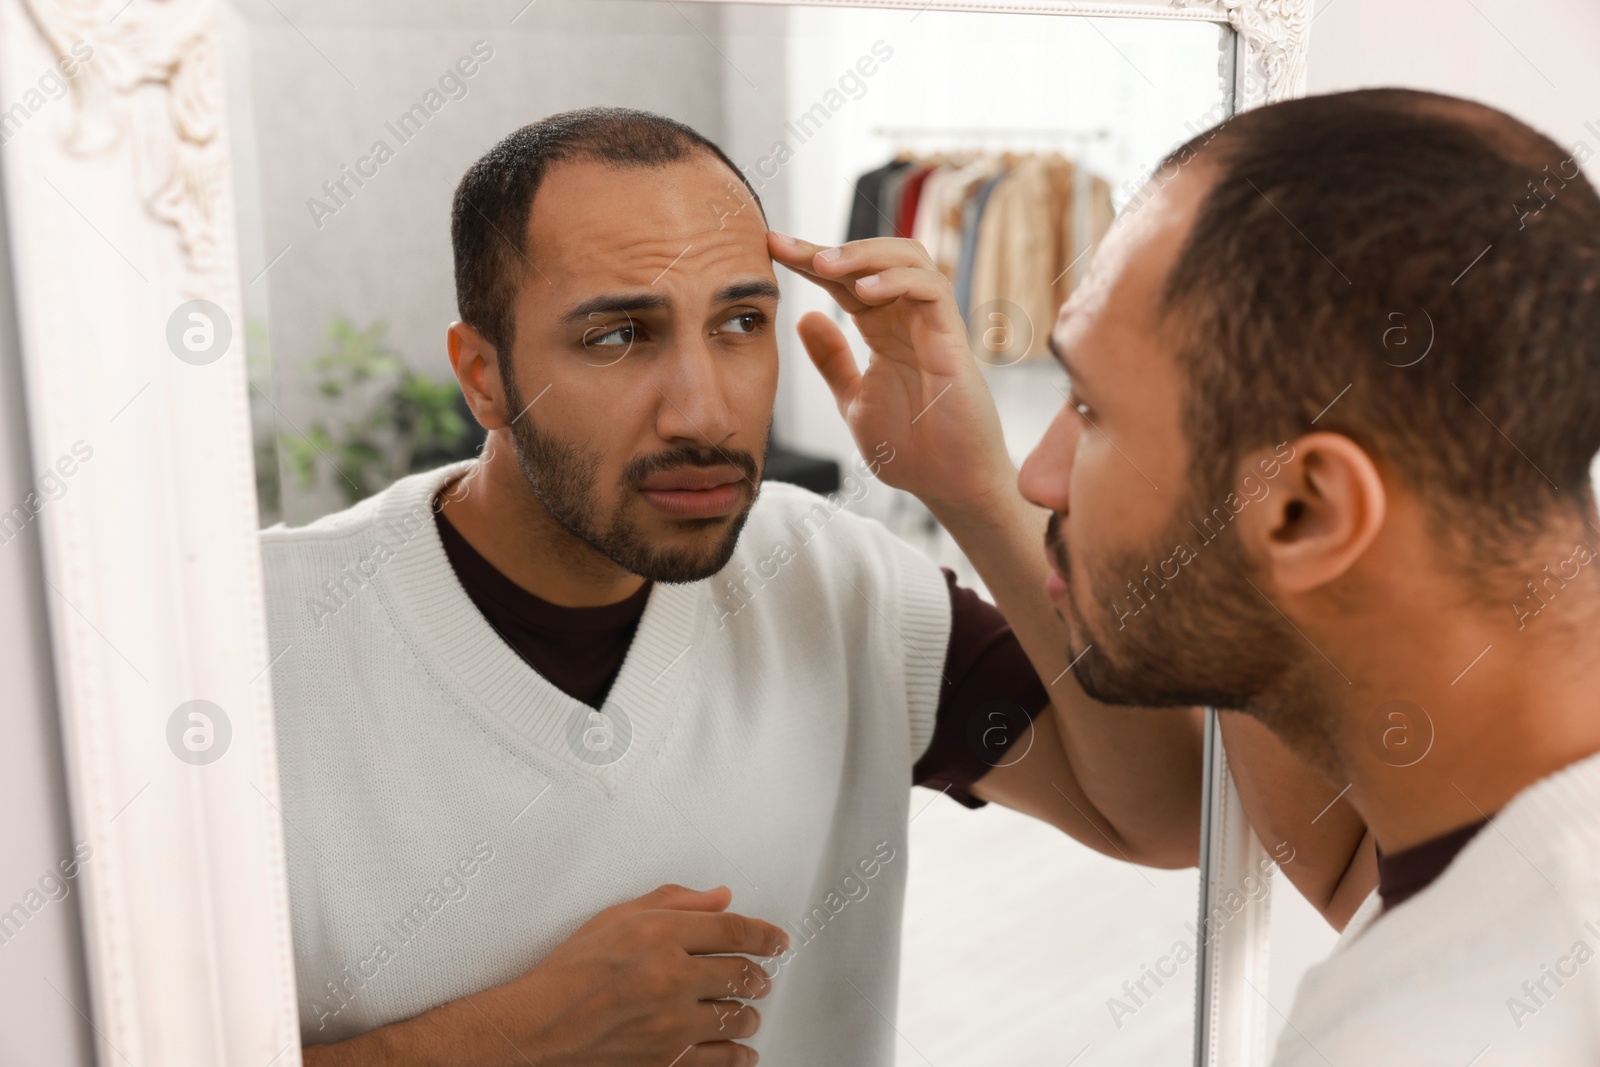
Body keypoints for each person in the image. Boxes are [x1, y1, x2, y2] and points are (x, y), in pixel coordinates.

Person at [264, 106, 1227, 1067]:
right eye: (616, 337)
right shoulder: (257, 638)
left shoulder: (837, 579)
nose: (706, 408)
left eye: (739, 323)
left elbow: (1166, 811)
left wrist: (973, 490)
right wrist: (501, 1042)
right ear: (483, 378)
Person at [774, 88, 1600, 1065]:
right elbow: (1346, 864)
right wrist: (979, 488)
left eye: (1088, 405)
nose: (1042, 475)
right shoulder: (1500, 851)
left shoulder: (1437, 1032)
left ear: (1306, 510)